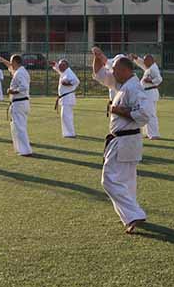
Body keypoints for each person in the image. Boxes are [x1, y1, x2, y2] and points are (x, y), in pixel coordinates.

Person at [92, 48, 152, 234]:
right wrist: (97, 57)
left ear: (125, 70)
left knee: (108, 180)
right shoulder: (123, 85)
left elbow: (144, 114)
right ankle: (131, 217)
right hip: (127, 140)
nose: (113, 73)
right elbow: (100, 74)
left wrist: (118, 110)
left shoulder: (133, 88)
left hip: (124, 140)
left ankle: (134, 214)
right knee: (126, 181)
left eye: (115, 70)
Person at [0, 55, 33, 156]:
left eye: (11, 62)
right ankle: (20, 149)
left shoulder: (20, 73)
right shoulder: (21, 71)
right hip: (20, 103)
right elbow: (10, 67)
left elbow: (24, 87)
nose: (10, 64)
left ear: (15, 62)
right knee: (17, 127)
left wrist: (12, 91)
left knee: (20, 128)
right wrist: (3, 61)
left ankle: (26, 150)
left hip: (19, 103)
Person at [131, 53, 162, 139]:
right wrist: (136, 58)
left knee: (151, 114)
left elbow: (159, 79)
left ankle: (154, 134)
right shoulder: (149, 67)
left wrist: (151, 81)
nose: (144, 62)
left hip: (150, 93)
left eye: (145, 60)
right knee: (145, 113)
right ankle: (148, 133)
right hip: (147, 93)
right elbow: (142, 64)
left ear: (150, 60)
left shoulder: (153, 69)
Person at [52, 58, 79, 138]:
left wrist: (67, 83)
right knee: (66, 116)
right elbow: (58, 69)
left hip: (67, 97)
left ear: (66, 66)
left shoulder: (69, 73)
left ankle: (70, 133)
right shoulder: (64, 72)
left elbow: (76, 81)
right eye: (59, 65)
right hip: (65, 98)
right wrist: (55, 65)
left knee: (66, 116)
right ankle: (68, 132)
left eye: (61, 65)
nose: (60, 67)